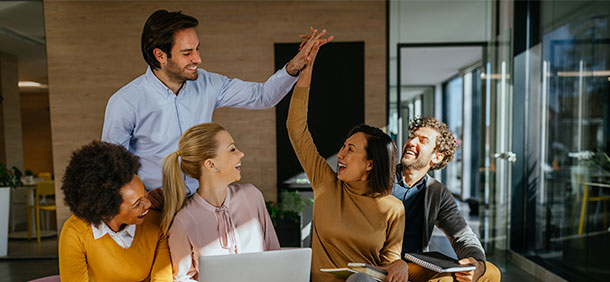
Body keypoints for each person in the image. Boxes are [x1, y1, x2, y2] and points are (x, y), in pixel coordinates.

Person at [101, 9, 318, 199]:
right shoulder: (125, 102)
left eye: (197, 49)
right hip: (155, 211)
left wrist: (293, 67)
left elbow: (263, 96)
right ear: (160, 55)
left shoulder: (208, 83)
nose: (197, 59)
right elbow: (114, 169)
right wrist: (143, 197)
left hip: (202, 203)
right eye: (187, 53)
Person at [286, 29, 409, 282]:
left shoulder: (393, 209)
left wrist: (400, 265)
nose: (340, 154)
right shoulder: (325, 183)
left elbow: (390, 261)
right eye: (343, 146)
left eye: (350, 149)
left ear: (370, 164)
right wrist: (306, 72)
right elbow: (296, 130)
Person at [161, 122, 280, 282]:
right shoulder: (183, 222)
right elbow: (182, 279)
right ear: (211, 164)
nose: (241, 154)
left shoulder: (252, 196)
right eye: (232, 149)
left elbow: (275, 254)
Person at [391, 117, 501, 282]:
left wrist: (476, 264)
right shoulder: (381, 178)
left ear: (436, 157)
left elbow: (462, 235)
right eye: (412, 136)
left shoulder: (437, 192)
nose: (412, 142)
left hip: (411, 265)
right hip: (379, 262)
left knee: (490, 272)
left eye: (422, 140)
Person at [58, 141, 171, 282]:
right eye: (137, 203)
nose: (148, 204)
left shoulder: (157, 224)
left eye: (145, 194)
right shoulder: (75, 232)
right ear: (106, 211)